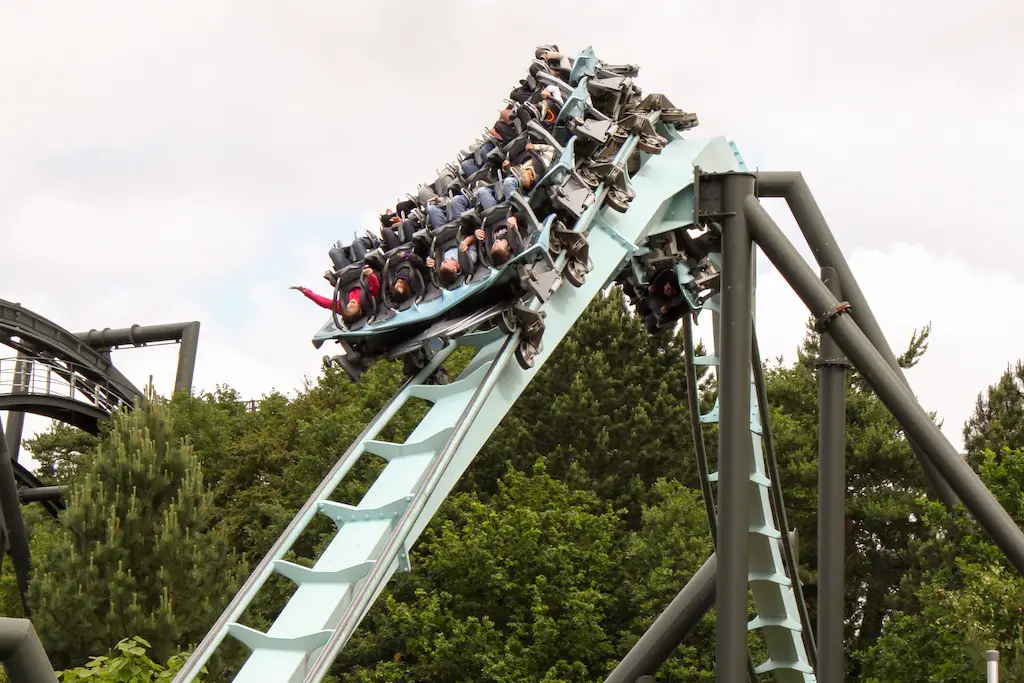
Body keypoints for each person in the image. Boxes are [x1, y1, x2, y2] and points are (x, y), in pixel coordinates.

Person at [291, 264, 381, 325]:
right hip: (363, 269)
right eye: (352, 308)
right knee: (357, 244)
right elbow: (375, 287)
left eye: (348, 307)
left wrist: (306, 292)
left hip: (347, 275)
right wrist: (370, 275)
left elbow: (324, 302)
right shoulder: (367, 301)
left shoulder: (342, 304)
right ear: (360, 310)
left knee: (333, 253)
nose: (350, 304)